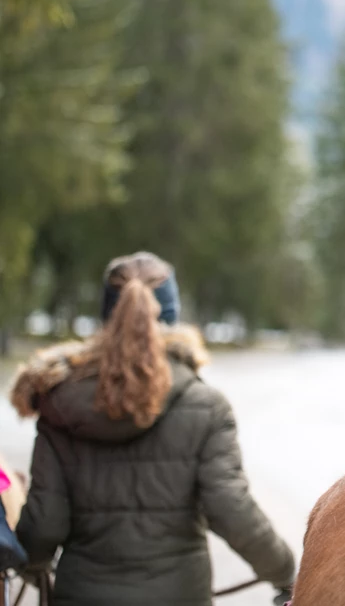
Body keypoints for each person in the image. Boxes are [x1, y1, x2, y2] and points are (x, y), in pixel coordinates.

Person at [9, 252, 295, 606]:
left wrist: (30, 564)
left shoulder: (59, 405)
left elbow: (45, 526)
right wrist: (285, 573)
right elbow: (232, 509)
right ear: (173, 320)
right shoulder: (206, 407)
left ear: (105, 319)